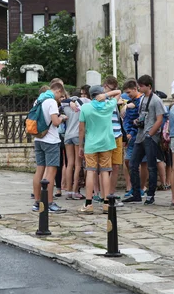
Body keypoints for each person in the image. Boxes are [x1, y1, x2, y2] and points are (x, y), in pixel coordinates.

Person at [78, 85, 122, 214]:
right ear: (101, 94)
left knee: (90, 172)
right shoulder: (109, 106)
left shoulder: (86, 108)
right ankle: (106, 203)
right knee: (105, 172)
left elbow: (81, 129)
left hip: (91, 144)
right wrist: (107, 95)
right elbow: (119, 92)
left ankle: (89, 204)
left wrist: (81, 145)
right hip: (106, 143)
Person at [123, 75, 164, 205]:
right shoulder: (143, 99)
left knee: (151, 167)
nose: (139, 88)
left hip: (149, 136)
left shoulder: (156, 100)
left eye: (141, 86)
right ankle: (136, 193)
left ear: (149, 86)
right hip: (140, 136)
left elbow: (160, 119)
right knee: (133, 164)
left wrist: (150, 133)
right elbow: (143, 116)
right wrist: (138, 122)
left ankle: (150, 194)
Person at [31, 81, 68, 213]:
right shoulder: (51, 101)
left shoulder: (38, 100)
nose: (60, 98)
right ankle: (49, 202)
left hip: (38, 138)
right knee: (51, 171)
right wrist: (62, 117)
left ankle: (37, 202)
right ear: (57, 91)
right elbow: (55, 121)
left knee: (39, 170)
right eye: (61, 95)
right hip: (51, 140)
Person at [121, 79, 148, 199]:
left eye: (129, 92)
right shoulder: (130, 101)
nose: (128, 95)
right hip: (131, 136)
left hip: (139, 135)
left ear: (135, 89)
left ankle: (141, 188)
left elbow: (142, 116)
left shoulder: (141, 100)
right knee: (128, 161)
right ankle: (135, 186)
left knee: (142, 163)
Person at [63, 88, 88, 200]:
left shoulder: (67, 105)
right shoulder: (84, 103)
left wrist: (70, 101)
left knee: (69, 164)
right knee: (78, 164)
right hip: (77, 135)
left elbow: (62, 102)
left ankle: (68, 191)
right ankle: (74, 191)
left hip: (67, 135)